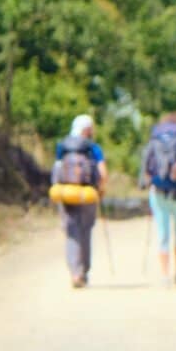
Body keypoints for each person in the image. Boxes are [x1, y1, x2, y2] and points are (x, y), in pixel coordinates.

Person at [49, 113, 106, 288]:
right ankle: (84, 271)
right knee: (85, 231)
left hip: (66, 193)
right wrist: (101, 191)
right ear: (87, 130)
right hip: (87, 194)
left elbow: (56, 170)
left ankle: (74, 273)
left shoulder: (63, 146)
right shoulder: (93, 148)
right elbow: (103, 173)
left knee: (71, 231)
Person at [140, 111, 176, 287]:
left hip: (157, 192)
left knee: (162, 233)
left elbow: (147, 169)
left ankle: (164, 275)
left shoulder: (154, 140)